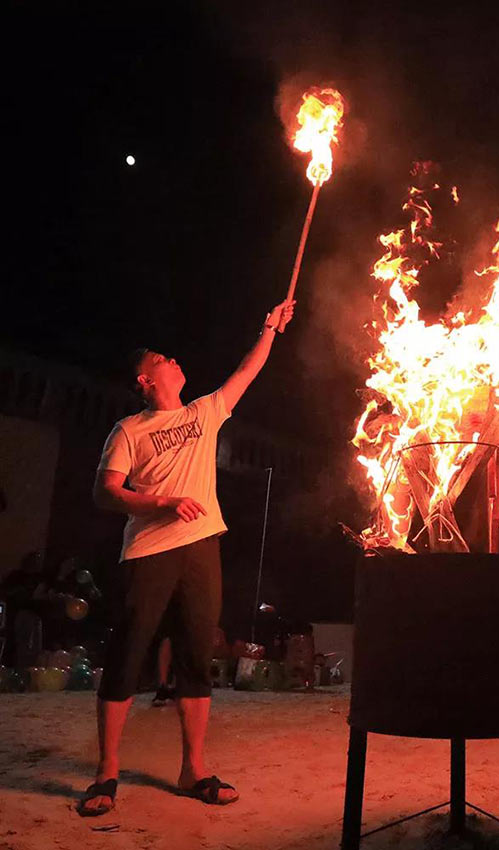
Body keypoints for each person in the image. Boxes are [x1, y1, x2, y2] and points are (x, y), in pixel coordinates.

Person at [78, 298, 296, 817]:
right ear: (146, 381)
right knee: (129, 653)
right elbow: (105, 493)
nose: (174, 361)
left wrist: (269, 328)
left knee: (198, 655)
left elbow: (248, 371)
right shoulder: (130, 430)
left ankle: (192, 768)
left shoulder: (204, 413)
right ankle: (106, 772)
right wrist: (163, 503)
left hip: (202, 547)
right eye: (163, 360)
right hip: (149, 552)